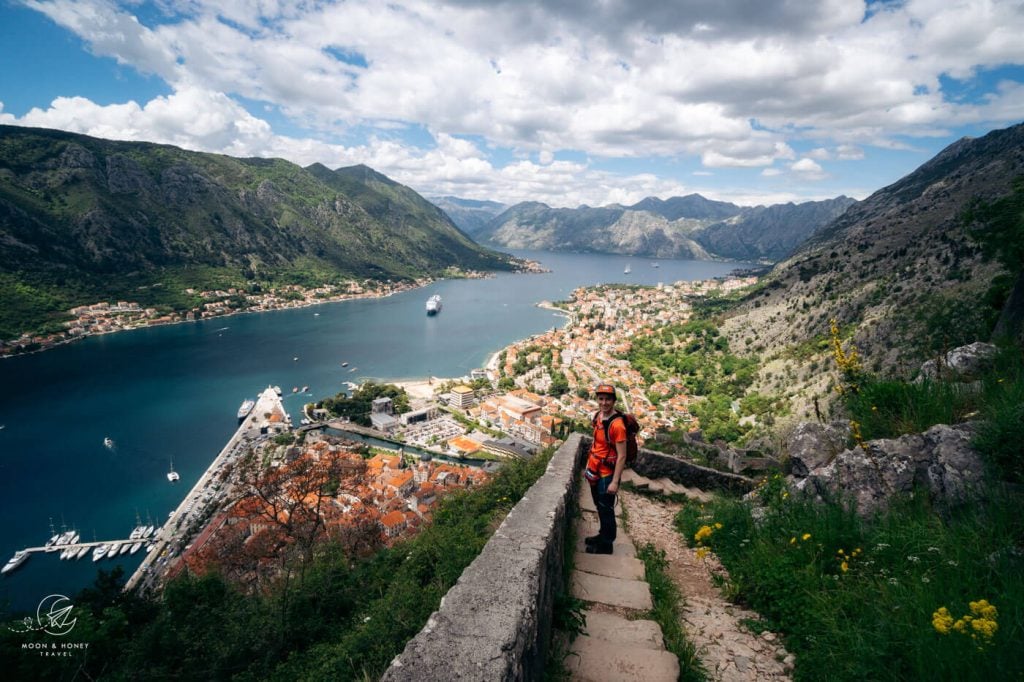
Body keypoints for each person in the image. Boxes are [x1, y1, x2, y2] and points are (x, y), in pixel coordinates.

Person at [584, 383, 627, 555]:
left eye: (608, 399)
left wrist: (615, 482)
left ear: (614, 401)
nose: (604, 402)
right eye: (601, 399)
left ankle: (607, 545)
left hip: (607, 474)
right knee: (600, 506)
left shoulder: (617, 425)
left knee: (606, 509)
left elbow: (622, 455)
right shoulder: (598, 416)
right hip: (595, 468)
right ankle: (602, 536)